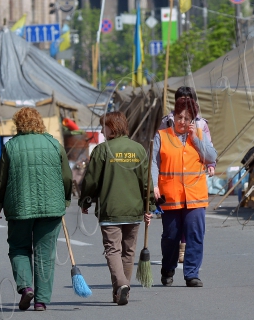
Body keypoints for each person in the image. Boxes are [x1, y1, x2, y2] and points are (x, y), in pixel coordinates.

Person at [0, 107, 72, 312]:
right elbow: (67, 177)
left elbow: (1, 180)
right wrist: (64, 199)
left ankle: (26, 286)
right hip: (51, 208)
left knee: (19, 248)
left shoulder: (11, 146)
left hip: (20, 207)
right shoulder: (53, 144)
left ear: (18, 124)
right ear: (39, 122)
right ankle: (41, 300)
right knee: (45, 253)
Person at [79, 112, 153, 306]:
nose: (103, 131)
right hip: (134, 210)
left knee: (113, 249)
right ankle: (122, 290)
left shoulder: (102, 151)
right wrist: (150, 206)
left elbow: (91, 181)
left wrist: (86, 201)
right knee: (128, 252)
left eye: (104, 126)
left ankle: (121, 285)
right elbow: (146, 182)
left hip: (110, 210)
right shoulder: (138, 150)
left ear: (112, 127)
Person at [153, 97, 217, 288]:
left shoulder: (198, 134)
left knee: (195, 235)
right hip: (170, 196)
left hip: (195, 196)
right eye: (179, 117)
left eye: (187, 118)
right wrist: (154, 185)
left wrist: (196, 140)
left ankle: (192, 274)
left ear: (192, 120)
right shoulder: (162, 135)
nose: (182, 121)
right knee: (171, 237)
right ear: (173, 117)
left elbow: (211, 157)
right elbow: (154, 163)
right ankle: (168, 268)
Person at [160, 87, 215, 176]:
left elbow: (208, 146)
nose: (185, 103)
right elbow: (159, 146)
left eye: (188, 100)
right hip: (172, 172)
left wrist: (211, 164)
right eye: (181, 100)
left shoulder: (201, 123)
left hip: (194, 173)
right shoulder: (167, 121)